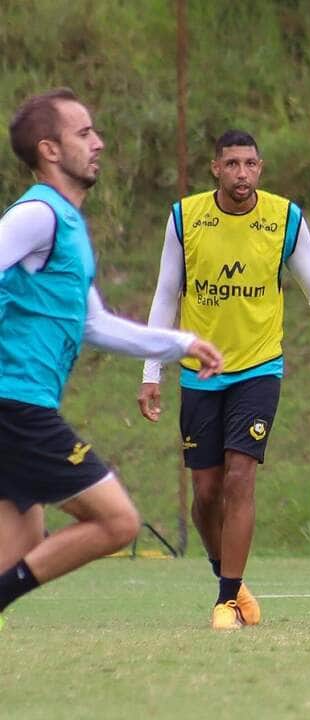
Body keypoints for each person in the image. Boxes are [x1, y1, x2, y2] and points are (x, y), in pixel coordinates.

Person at [0, 88, 224, 631]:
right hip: (16, 405)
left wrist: (178, 344)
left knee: (22, 547)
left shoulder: (67, 225)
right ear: (50, 150)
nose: (98, 143)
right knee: (118, 522)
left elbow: (92, 323)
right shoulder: (37, 214)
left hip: (20, 405)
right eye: (84, 133)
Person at [137, 129, 310, 630]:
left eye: (251, 164)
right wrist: (151, 370)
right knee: (205, 492)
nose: (243, 174)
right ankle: (233, 580)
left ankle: (223, 602)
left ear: (260, 169)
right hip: (201, 373)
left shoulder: (285, 219)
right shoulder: (185, 218)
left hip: (260, 369)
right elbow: (165, 295)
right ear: (215, 169)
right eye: (233, 164)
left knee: (240, 477)